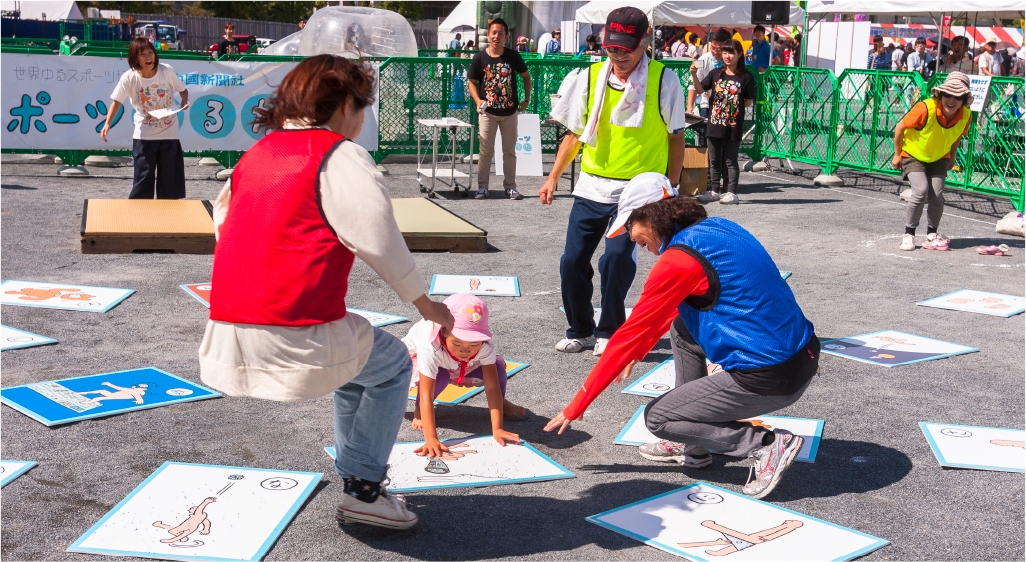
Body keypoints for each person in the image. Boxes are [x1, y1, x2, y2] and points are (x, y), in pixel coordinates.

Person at [198, 54, 456, 530]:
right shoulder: (337, 153)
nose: (362, 119)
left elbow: (225, 228)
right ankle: (362, 488)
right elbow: (378, 237)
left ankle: (359, 478)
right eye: (362, 108)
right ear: (343, 106)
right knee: (396, 362)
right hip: (294, 328)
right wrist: (427, 305)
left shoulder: (259, 153)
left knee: (363, 360)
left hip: (227, 328)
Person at [544, 183, 819, 500]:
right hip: (802, 357)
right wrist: (641, 347)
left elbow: (627, 335)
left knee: (659, 417)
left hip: (769, 377)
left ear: (649, 216)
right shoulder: (719, 227)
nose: (638, 245)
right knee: (683, 327)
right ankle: (694, 444)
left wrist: (576, 406)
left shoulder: (676, 261)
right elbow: (671, 309)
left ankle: (767, 445)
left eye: (633, 233)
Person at [541, 7, 687, 356]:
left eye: (627, 48)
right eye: (612, 48)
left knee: (616, 259)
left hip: (639, 190)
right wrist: (553, 178)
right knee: (572, 260)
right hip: (593, 184)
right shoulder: (590, 77)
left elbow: (676, 136)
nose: (619, 55)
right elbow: (575, 134)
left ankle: (610, 329)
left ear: (644, 41)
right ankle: (581, 328)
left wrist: (673, 187)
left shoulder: (664, 80)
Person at [404, 294, 526, 456]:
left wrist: (497, 428)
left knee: (497, 368)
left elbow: (492, 386)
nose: (465, 350)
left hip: (461, 365)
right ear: (444, 331)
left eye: (474, 344)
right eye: (457, 343)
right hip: (427, 362)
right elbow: (426, 393)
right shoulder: (430, 344)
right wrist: (431, 438)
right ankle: (419, 409)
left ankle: (500, 404)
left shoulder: (485, 344)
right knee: (440, 377)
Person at [892, 72, 973, 252]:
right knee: (921, 190)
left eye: (957, 96)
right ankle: (909, 234)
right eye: (947, 95)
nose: (951, 100)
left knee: (937, 193)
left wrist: (952, 156)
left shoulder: (966, 115)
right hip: (913, 154)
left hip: (939, 157)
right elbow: (900, 127)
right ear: (940, 94)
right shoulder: (925, 108)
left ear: (964, 99)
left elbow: (957, 136)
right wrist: (897, 154)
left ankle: (931, 233)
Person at [101, 37, 188, 200]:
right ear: (135, 58)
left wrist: (184, 100)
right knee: (143, 177)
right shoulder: (129, 77)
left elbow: (183, 90)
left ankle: (169, 219)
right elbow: (117, 101)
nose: (149, 58)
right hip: (144, 134)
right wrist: (107, 124)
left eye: (150, 53)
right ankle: (140, 217)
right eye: (143, 55)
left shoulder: (166, 71)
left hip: (169, 133)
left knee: (170, 180)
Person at [468, 18, 531, 200]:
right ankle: (482, 187)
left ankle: (510, 187)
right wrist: (477, 100)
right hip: (488, 112)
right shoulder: (480, 57)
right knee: (485, 151)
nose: (497, 36)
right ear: (488, 35)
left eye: (501, 33)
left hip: (510, 112)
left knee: (509, 151)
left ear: (506, 37)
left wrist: (526, 99)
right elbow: (471, 82)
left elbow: (526, 77)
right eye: (494, 33)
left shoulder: (513, 56)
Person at [691, 39, 755, 205]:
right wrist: (693, 74)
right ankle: (714, 190)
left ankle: (732, 192)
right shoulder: (715, 73)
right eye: (725, 52)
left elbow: (748, 101)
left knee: (731, 160)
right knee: (713, 160)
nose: (727, 56)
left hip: (733, 125)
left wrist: (731, 107)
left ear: (740, 54)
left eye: (731, 52)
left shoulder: (746, 77)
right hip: (714, 123)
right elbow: (699, 90)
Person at [687, 29, 730, 147]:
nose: (715, 52)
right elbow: (694, 85)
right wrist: (689, 108)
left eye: (719, 49)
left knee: (724, 142)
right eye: (713, 48)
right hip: (707, 105)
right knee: (705, 142)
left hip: (727, 106)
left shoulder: (731, 62)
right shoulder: (703, 60)